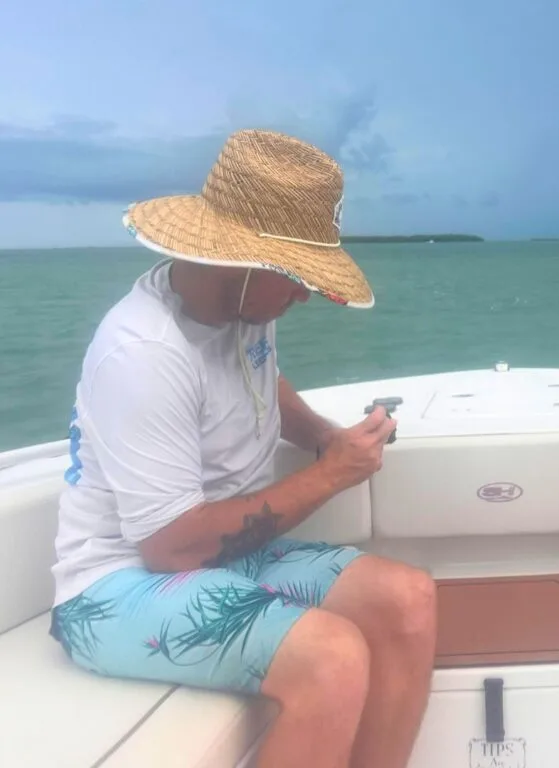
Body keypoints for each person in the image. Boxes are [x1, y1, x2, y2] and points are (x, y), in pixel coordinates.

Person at [49, 129, 437, 768]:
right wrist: (332, 474)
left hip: (221, 554)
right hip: (117, 583)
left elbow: (262, 378)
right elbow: (171, 547)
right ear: (236, 260)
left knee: (409, 599)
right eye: (293, 275)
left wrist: (323, 438)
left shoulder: (244, 308)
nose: (304, 294)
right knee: (332, 658)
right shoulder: (143, 352)